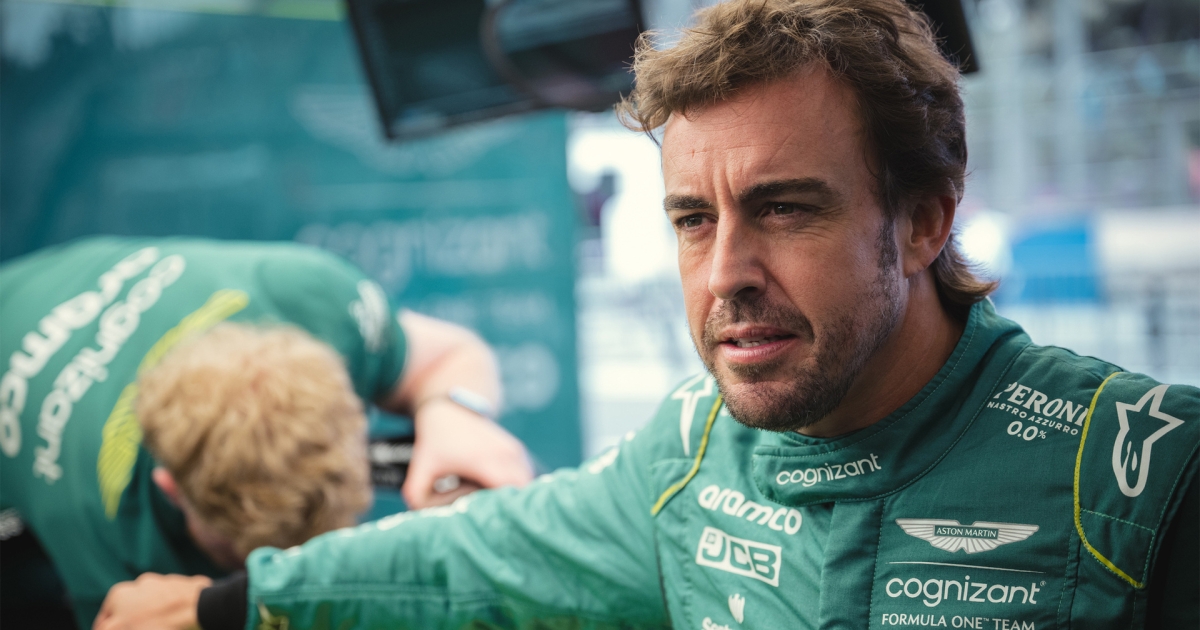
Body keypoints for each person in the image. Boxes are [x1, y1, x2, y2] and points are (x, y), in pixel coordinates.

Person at [96, 0, 1199, 628]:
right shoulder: (690, 454)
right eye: (692, 220)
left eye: (784, 209)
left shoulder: (1142, 474)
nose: (726, 274)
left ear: (922, 221)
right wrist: (222, 607)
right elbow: (464, 561)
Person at [0, 236, 533, 628]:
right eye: (249, 558)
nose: (288, 569)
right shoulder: (98, 520)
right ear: (171, 489)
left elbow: (449, 354)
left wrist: (454, 413)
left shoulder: (312, 297)